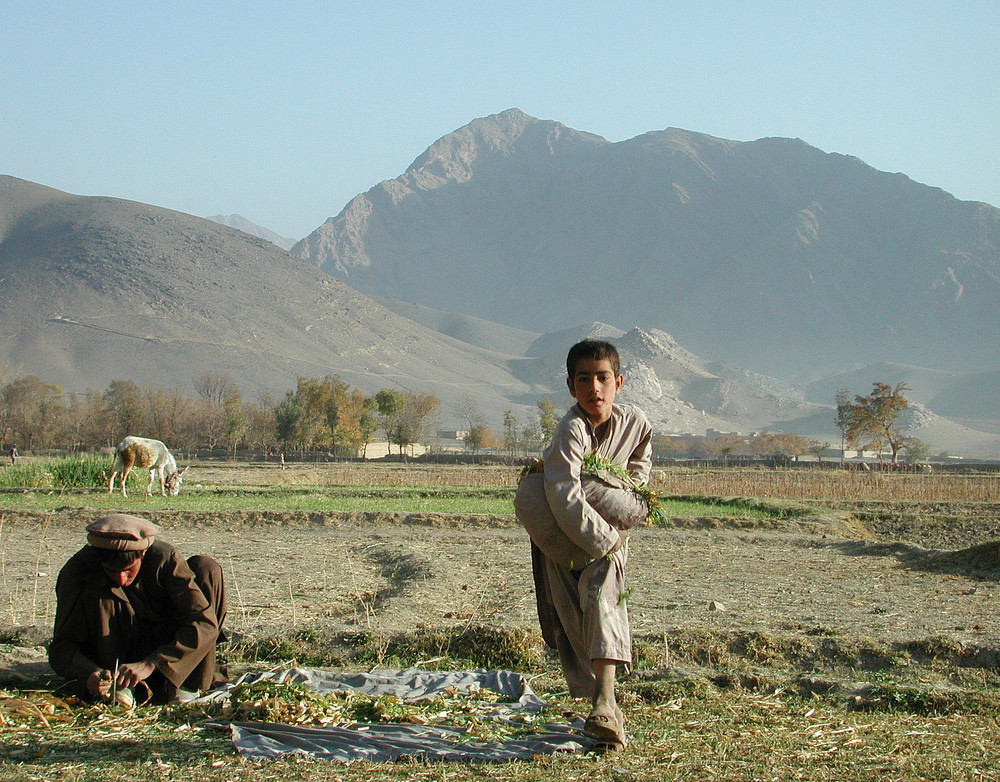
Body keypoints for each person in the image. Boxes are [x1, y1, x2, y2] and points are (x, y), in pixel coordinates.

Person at [515, 339, 652, 751]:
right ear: (571, 387)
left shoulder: (636, 424)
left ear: (619, 382)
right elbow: (563, 493)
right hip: (561, 535)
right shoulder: (570, 429)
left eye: (603, 378)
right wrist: (604, 538)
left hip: (609, 537)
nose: (595, 388)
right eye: (584, 380)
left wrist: (614, 529)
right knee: (572, 614)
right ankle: (601, 704)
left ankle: (605, 702)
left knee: (603, 596)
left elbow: (639, 482)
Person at [48, 514, 227, 704]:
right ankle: (121, 689)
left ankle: (188, 687)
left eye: (129, 570)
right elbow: (61, 648)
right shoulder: (78, 571)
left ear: (142, 553)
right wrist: (90, 673)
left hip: (169, 657)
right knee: (99, 590)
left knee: (206, 568)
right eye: (113, 571)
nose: (121, 580)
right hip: (116, 661)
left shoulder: (164, 559)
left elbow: (205, 624)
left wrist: (152, 663)